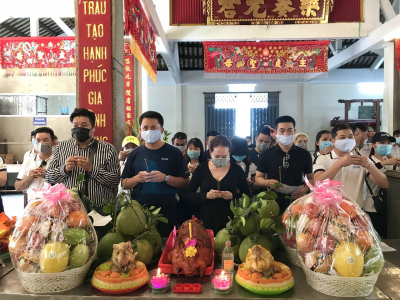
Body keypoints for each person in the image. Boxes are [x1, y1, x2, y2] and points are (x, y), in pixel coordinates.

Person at [121, 111, 189, 237]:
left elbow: (185, 182)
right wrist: (137, 178)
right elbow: (124, 184)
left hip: (167, 212)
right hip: (139, 213)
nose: (149, 131)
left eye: (153, 128)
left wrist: (165, 178)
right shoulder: (135, 154)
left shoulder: (174, 153)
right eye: (145, 128)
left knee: (167, 249)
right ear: (140, 130)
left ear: (161, 130)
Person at [46, 108, 120, 213]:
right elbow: (48, 176)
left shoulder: (108, 149)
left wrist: (91, 169)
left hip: (100, 210)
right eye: (75, 126)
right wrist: (65, 169)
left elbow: (115, 180)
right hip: (68, 210)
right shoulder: (61, 147)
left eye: (84, 125)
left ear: (93, 128)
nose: (79, 129)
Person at [186, 135, 251, 233]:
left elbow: (248, 195)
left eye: (224, 156)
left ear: (229, 153)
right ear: (210, 152)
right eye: (216, 156)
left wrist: (233, 196)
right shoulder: (202, 169)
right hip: (206, 219)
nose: (220, 159)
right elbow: (188, 194)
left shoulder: (236, 170)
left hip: (231, 221)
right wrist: (205, 195)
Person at [313, 124, 389, 208]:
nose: (347, 140)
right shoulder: (323, 159)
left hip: (355, 210)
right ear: (333, 141)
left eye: (350, 137)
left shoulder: (361, 160)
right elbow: (318, 182)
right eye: (342, 138)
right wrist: (340, 163)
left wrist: (369, 165)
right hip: (330, 210)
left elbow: (384, 183)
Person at [255, 116, 313, 212]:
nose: (286, 134)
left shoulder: (304, 154)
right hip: (273, 202)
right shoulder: (266, 154)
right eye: (282, 131)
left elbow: (310, 178)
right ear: (276, 132)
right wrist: (267, 182)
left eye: (289, 130)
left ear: (294, 131)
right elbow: (258, 178)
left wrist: (306, 189)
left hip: (297, 202)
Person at [364, 132, 400, 238]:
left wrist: (390, 161)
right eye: (382, 142)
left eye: (389, 143)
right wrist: (385, 163)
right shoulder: (368, 161)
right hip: (372, 207)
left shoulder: (392, 162)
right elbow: (370, 171)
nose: (386, 145)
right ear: (373, 145)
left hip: (390, 207)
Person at [15, 127, 56, 201]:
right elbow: (18, 187)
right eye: (38, 140)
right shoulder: (29, 161)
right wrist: (29, 177)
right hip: (33, 205)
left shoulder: (59, 161)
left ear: (52, 142)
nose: (41, 143)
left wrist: (48, 175)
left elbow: (66, 186)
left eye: (45, 140)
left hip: (53, 206)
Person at [177, 138, 206, 224]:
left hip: (200, 200)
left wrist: (197, 173)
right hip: (185, 201)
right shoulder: (183, 164)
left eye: (196, 149)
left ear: (200, 150)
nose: (193, 151)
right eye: (190, 148)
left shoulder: (205, 166)